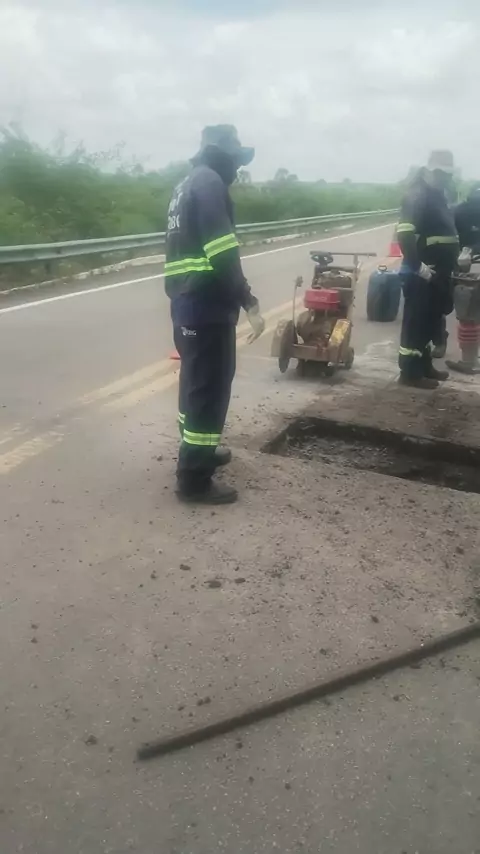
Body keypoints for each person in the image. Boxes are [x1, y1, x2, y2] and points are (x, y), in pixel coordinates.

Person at [164, 125, 265, 505]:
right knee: (208, 391)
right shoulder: (210, 184)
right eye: (235, 161)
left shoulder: (186, 184)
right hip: (206, 307)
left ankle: (198, 452)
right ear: (222, 156)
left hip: (186, 303)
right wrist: (248, 301)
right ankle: (194, 479)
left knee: (195, 385)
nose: (237, 170)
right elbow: (222, 252)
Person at [397, 150, 459, 389]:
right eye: (441, 173)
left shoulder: (437, 195)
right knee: (416, 322)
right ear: (429, 170)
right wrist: (417, 267)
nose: (445, 178)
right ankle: (410, 373)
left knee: (429, 320)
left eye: (448, 174)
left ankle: (424, 366)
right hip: (423, 272)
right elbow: (405, 234)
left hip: (438, 273)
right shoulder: (417, 195)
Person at [446, 185, 480, 374]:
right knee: (472, 315)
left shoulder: (459, 211)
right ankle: (472, 358)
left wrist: (469, 249)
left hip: (468, 270)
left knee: (468, 315)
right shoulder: (460, 212)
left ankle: (468, 362)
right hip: (468, 265)